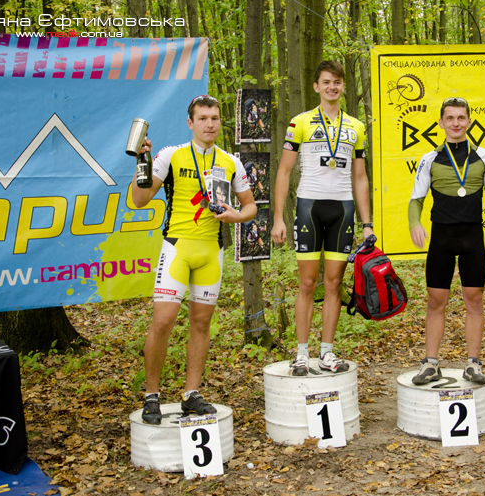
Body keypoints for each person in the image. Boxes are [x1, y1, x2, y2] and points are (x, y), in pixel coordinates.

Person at [132, 95, 257, 424]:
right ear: (190, 123)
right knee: (163, 322)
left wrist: (237, 215)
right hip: (177, 248)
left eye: (214, 118)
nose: (209, 124)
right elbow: (139, 200)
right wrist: (142, 161)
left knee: (201, 324)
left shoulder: (230, 162)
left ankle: (191, 394)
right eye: (202, 118)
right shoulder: (170, 155)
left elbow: (250, 207)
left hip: (211, 253)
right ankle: (151, 395)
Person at [272, 60, 372, 376]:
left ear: (343, 86)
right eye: (326, 82)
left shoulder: (356, 127)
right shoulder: (300, 122)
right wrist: (278, 218)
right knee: (306, 282)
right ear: (316, 86)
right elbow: (284, 170)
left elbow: (360, 178)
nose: (332, 87)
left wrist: (367, 224)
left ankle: (326, 352)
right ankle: (302, 354)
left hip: (343, 209)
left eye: (337, 82)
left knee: (334, 283)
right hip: (309, 206)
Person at [408, 97, 485, 386]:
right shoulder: (429, 159)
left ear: (469, 121)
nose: (456, 123)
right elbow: (416, 200)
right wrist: (415, 223)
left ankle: (473, 364)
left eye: (461, 118)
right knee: (436, 301)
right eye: (450, 118)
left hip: (473, 237)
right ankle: (431, 364)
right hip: (441, 238)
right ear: (441, 122)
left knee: (474, 300)